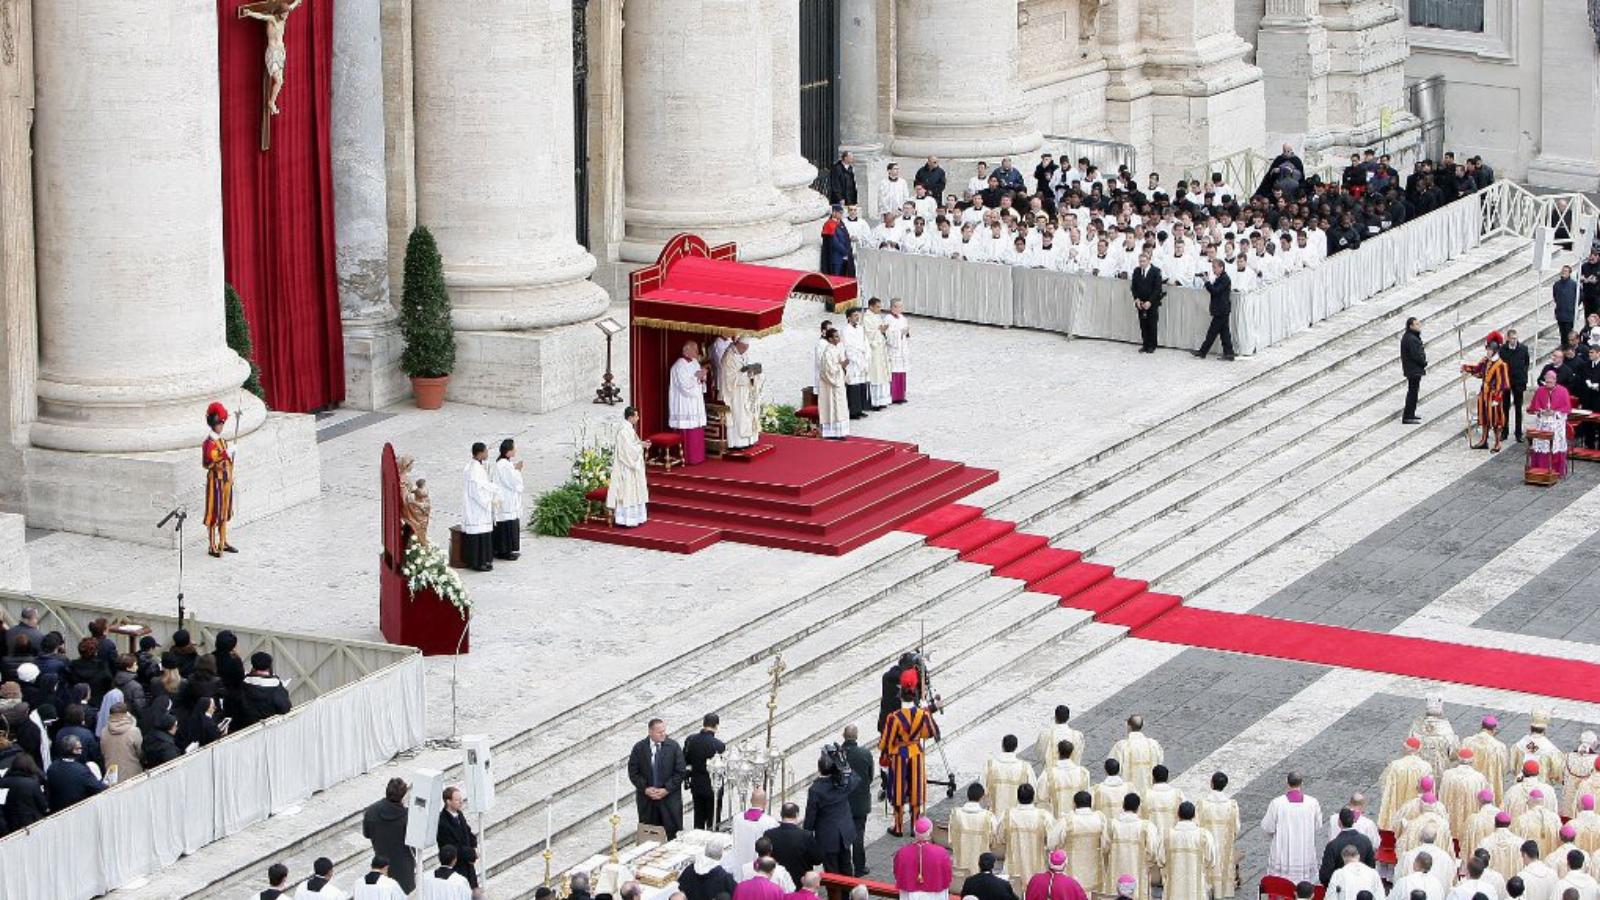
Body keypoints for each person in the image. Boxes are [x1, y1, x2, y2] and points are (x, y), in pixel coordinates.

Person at [881, 686, 941, 836]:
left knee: (898, 789)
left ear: (900, 697)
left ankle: (898, 827)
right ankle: (915, 826)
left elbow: (886, 741)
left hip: (899, 754)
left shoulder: (894, 717)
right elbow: (930, 732)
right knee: (916, 789)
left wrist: (885, 752)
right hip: (915, 752)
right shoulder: (923, 714)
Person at [629, 718, 687, 838]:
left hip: (669, 800)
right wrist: (645, 789)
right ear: (650, 732)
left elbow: (680, 771)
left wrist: (666, 789)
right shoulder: (639, 748)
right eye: (659, 732)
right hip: (648, 802)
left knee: (671, 836)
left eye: (664, 731)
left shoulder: (673, 747)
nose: (663, 734)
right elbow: (634, 772)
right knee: (650, 837)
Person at [1262, 773, 1323, 883]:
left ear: (1287, 782)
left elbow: (1268, 827)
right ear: (1302, 783)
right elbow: (1318, 825)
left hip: (1283, 851)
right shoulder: (1312, 803)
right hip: (1304, 850)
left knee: (1281, 885)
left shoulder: (1277, 803)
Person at [804, 753, 856, 875]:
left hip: (827, 836)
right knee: (846, 865)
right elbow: (855, 779)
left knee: (832, 871)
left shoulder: (815, 789)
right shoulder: (841, 782)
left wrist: (806, 835)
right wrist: (844, 766)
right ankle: (848, 893)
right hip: (844, 832)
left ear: (819, 769)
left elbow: (811, 815)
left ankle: (837, 894)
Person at [363, 778, 417, 893]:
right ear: (403, 796)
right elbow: (415, 841)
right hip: (404, 868)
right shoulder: (408, 817)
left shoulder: (371, 811)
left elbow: (367, 834)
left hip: (381, 864)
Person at [1001, 783, 1056, 894]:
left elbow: (999, 838)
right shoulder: (1043, 816)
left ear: (1017, 797)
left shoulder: (1007, 815)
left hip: (1013, 868)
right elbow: (1052, 841)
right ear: (1033, 797)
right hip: (1037, 867)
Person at [1462, 332, 1511, 452]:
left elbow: (1503, 384)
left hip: (1494, 396)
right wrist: (1465, 367)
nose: (1488, 352)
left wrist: (1497, 398)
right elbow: (1478, 372)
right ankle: (1484, 440)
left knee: (1496, 420)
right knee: (1484, 418)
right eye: (1487, 349)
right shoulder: (1485, 361)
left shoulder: (1501, 365)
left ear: (1495, 351)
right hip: (1484, 394)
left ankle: (1498, 442)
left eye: (1490, 350)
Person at [1106, 793, 1159, 900]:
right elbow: (1153, 851)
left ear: (1123, 805)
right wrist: (1148, 863)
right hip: (1138, 870)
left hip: (1116, 868)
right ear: (1138, 808)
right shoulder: (1146, 827)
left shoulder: (1112, 825)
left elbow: (1105, 847)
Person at [1161, 802, 1217, 900]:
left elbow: (1160, 860)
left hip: (1174, 886)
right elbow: (1211, 861)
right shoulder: (1204, 835)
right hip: (1196, 886)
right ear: (1194, 815)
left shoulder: (1167, 835)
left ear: (1178, 814)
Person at [202, 401, 237, 558]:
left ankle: (223, 541)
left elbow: (227, 462)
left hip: (225, 482)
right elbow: (207, 462)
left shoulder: (223, 441)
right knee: (214, 513)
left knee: (224, 512)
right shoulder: (208, 443)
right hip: (215, 483)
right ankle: (212, 545)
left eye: (222, 423)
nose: (220, 426)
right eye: (218, 423)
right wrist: (224, 454)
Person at [1198, 772, 1241, 899]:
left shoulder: (1202, 804)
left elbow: (1196, 824)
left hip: (1206, 844)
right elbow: (1237, 827)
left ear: (1211, 784)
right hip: (1223, 845)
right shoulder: (1231, 805)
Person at [608, 407, 650, 527]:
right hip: (627, 467)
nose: (638, 418)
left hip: (631, 465)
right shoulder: (624, 431)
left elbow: (632, 444)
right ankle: (626, 519)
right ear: (630, 417)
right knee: (628, 492)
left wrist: (641, 444)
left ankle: (635, 517)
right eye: (636, 416)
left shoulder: (628, 429)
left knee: (633, 492)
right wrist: (640, 448)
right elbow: (627, 451)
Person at [1383, 737, 1438, 830]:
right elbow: (1429, 786)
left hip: (1399, 801)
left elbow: (1386, 785)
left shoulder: (1395, 765)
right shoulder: (1425, 766)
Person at [893, 816, 954, 900]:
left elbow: (897, 874)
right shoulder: (941, 853)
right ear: (930, 832)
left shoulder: (902, 853)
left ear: (915, 831)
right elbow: (948, 875)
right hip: (934, 894)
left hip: (910, 894)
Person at [842, 725, 875, 875]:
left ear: (843, 735)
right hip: (860, 803)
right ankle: (860, 867)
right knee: (858, 836)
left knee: (843, 836)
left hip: (842, 804)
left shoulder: (838, 755)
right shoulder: (865, 753)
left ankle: (845, 867)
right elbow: (870, 776)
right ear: (856, 736)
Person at [949, 783, 1000, 881]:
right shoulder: (988, 817)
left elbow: (951, 840)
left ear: (968, 796)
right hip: (981, 870)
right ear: (982, 797)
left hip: (960, 871)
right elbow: (994, 839)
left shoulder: (956, 814)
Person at [684, 713, 726, 831]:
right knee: (713, 820)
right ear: (717, 725)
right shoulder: (718, 745)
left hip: (697, 784)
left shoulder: (691, 740)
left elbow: (685, 760)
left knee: (698, 818)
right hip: (713, 787)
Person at [669, 341, 709, 465]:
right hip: (684, 403)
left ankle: (698, 456)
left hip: (695, 402)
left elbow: (699, 381)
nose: (697, 352)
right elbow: (684, 386)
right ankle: (688, 457)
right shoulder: (679, 366)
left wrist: (702, 378)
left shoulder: (695, 362)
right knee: (687, 428)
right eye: (695, 350)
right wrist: (697, 377)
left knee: (696, 428)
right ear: (686, 350)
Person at [437, 786, 481, 896]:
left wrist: (474, 846)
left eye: (460, 799)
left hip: (468, 866)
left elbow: (468, 832)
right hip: (457, 867)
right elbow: (452, 847)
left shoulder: (459, 814)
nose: (461, 802)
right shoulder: (442, 823)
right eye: (457, 800)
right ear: (448, 801)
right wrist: (472, 854)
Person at [720, 337, 763, 450]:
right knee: (739, 416)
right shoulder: (729, 357)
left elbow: (745, 369)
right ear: (738, 344)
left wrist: (754, 373)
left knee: (748, 415)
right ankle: (738, 443)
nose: (745, 351)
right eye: (744, 348)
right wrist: (747, 374)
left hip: (746, 391)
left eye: (747, 348)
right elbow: (730, 378)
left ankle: (750, 440)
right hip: (735, 392)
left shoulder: (743, 353)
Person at [1528, 371, 1573, 478]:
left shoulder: (1563, 391)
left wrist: (1555, 412)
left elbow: (1566, 409)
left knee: (1555, 444)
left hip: (1556, 423)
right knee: (1542, 444)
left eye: (1550, 382)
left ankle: (1556, 470)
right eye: (1546, 382)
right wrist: (1541, 411)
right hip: (1543, 422)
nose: (1548, 384)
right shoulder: (1540, 390)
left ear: (1555, 380)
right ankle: (1540, 468)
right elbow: (1534, 408)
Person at [460, 443, 497, 572]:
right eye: (486, 451)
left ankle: (483, 560)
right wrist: (488, 502)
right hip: (477, 507)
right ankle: (477, 563)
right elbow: (476, 491)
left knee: (483, 534)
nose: (488, 454)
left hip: (479, 507)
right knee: (478, 535)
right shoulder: (473, 470)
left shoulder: (476, 466)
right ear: (480, 453)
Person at [1444, 749, 1495, 842]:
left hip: (1452, 816)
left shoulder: (1447, 775)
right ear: (1472, 760)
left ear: (1459, 760)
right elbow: (1484, 797)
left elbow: (1443, 795)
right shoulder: (1479, 778)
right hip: (1471, 817)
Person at [984, 734, 1036, 822]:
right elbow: (1034, 790)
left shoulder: (990, 766)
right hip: (1017, 819)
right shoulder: (1025, 767)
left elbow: (982, 790)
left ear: (1002, 746)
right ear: (1016, 747)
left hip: (995, 817)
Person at [1111, 715, 1164, 801]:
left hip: (1128, 796)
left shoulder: (1122, 746)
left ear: (1128, 726)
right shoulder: (1153, 745)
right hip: (1149, 793)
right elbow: (1159, 763)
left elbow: (1113, 768)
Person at [46, 734, 104, 810]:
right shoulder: (81, 771)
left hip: (57, 811)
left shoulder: (52, 767)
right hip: (78, 811)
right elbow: (99, 788)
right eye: (80, 748)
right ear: (75, 751)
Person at [732, 788, 779, 881]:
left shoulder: (737, 819)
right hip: (759, 867)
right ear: (766, 802)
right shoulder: (770, 822)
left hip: (739, 865)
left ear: (750, 800)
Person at [1323, 808, 1379, 884]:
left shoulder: (1333, 845)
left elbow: (1325, 876)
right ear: (1354, 821)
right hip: (1362, 884)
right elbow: (1371, 866)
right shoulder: (1365, 841)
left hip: (1341, 886)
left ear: (1339, 822)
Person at [1194, 259, 1235, 361]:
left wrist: (1207, 282)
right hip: (1221, 310)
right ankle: (1229, 353)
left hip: (1221, 310)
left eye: (1215, 267)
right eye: (1212, 267)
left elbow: (1215, 291)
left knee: (1212, 332)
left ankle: (1203, 352)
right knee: (1224, 333)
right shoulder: (1220, 278)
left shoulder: (1225, 279)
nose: (1213, 270)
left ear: (1221, 267)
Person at [490, 439, 523, 561]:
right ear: (508, 451)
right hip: (506, 499)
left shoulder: (504, 463)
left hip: (506, 498)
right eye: (514, 448)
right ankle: (504, 552)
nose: (516, 450)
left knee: (506, 524)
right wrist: (518, 471)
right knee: (506, 525)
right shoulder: (503, 465)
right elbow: (512, 482)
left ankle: (505, 550)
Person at [1038, 739, 1090, 816]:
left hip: (1056, 820)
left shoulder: (1048, 774)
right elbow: (1086, 797)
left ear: (1058, 752)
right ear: (1072, 753)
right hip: (1076, 821)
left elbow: (1041, 798)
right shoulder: (1083, 773)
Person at [0, 753, 48, 833]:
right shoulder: (32, 784)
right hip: (32, 823)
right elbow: (43, 805)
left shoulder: (3, 782)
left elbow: (2, 804)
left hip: (11, 823)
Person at [817, 328, 850, 440]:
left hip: (838, 382)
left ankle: (840, 431)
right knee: (832, 406)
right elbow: (828, 370)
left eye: (838, 336)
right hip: (831, 385)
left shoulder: (836, 349)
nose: (838, 338)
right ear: (830, 339)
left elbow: (839, 363)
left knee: (840, 407)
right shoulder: (827, 352)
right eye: (836, 336)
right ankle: (832, 432)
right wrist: (841, 366)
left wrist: (843, 366)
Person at [1500, 331, 1533, 442]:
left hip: (1518, 382)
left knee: (1518, 408)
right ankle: (1504, 432)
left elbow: (1526, 363)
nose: (1514, 341)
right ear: (1508, 339)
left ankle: (1518, 433)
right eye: (1512, 338)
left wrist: (1523, 376)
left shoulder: (1523, 348)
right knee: (1505, 407)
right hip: (1506, 382)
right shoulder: (1503, 350)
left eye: (1515, 338)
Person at [1130, 252, 1164, 353]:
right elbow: (1133, 286)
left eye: (1144, 261)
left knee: (1152, 323)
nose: (1142, 263)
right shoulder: (1136, 271)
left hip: (1152, 302)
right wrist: (1136, 299)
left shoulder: (1155, 271)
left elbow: (1157, 288)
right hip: (1140, 302)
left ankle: (1152, 345)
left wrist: (1150, 301)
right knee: (1143, 324)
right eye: (1140, 261)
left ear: (1149, 261)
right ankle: (1145, 344)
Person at [842, 309, 872, 420]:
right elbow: (848, 347)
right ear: (849, 318)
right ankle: (853, 412)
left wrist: (867, 356)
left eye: (858, 315)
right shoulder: (845, 331)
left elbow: (866, 342)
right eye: (854, 315)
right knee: (853, 386)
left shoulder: (861, 328)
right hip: (854, 362)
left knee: (861, 386)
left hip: (862, 359)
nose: (857, 317)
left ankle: (860, 409)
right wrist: (856, 359)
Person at [101, 701, 143, 780]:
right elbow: (140, 752)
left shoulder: (104, 732)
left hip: (112, 776)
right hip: (132, 773)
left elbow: (103, 752)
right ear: (126, 714)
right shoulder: (134, 731)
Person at [865, 298, 893, 410]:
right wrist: (879, 331)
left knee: (882, 374)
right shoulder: (866, 318)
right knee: (876, 374)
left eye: (880, 306)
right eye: (877, 306)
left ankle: (883, 400)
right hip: (874, 350)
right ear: (871, 307)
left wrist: (884, 330)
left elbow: (881, 330)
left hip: (881, 349)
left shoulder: (877, 316)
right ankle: (875, 402)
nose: (880, 309)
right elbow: (868, 334)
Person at [884, 298, 911, 404]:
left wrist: (906, 332)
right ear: (892, 307)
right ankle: (894, 396)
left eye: (901, 306)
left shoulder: (903, 318)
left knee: (902, 372)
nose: (900, 308)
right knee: (894, 372)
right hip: (894, 348)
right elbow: (888, 334)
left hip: (902, 348)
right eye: (898, 306)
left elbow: (906, 330)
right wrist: (899, 333)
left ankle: (901, 395)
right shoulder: (888, 318)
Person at [1402, 317, 1428, 424]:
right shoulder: (1411, 338)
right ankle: (1408, 416)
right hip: (1413, 369)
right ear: (1411, 326)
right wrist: (1424, 362)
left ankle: (1411, 414)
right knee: (1412, 392)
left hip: (1413, 369)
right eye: (1416, 324)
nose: (1419, 326)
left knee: (1413, 392)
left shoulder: (1411, 337)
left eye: (1419, 324)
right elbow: (1416, 355)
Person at [822, 205, 856, 277]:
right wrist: (845, 251)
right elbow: (834, 242)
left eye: (842, 213)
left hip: (844, 258)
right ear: (834, 213)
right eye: (839, 213)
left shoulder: (841, 223)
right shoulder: (829, 224)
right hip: (836, 258)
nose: (841, 214)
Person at [1556, 267, 1580, 351]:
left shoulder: (1574, 285)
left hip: (1569, 313)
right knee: (1562, 333)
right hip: (1560, 312)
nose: (1563, 272)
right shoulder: (1557, 284)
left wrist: (1573, 306)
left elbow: (1579, 297)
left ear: (1569, 273)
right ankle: (1564, 348)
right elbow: (1555, 296)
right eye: (1562, 270)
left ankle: (1569, 349)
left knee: (1568, 333)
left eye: (1566, 271)